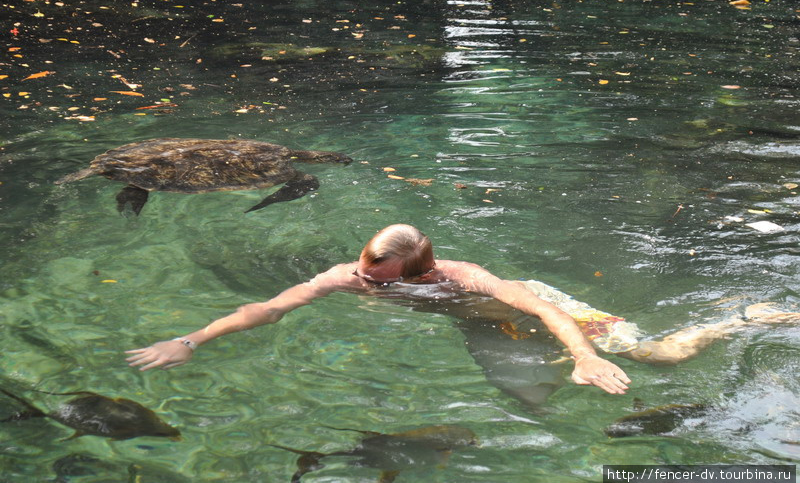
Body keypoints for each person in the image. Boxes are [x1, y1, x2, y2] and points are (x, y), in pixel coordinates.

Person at [126, 224, 800, 400]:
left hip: (538, 310)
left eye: (379, 278)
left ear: (423, 272)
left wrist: (587, 353)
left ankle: (745, 316)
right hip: (485, 325)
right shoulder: (347, 275)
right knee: (529, 387)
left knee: (661, 355)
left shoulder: (469, 276)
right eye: (363, 271)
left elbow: (542, 308)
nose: (363, 282)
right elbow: (269, 307)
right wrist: (195, 337)